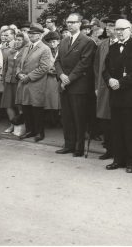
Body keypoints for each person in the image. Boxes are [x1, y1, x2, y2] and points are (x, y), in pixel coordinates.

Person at [103, 19, 132, 173]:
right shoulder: (113, 47)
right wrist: (109, 80)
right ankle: (117, 160)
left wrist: (121, 82)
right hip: (115, 95)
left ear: (130, 29)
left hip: (130, 95)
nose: (119, 32)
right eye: (117, 29)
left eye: (122, 29)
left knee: (129, 130)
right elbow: (105, 69)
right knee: (116, 129)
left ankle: (130, 162)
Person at [54, 13, 97, 157]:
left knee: (79, 118)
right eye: (68, 22)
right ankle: (68, 145)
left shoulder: (87, 41)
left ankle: (79, 147)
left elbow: (84, 64)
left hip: (78, 85)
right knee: (66, 117)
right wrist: (61, 75)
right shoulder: (64, 40)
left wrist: (69, 78)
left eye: (73, 22)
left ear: (80, 24)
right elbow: (57, 60)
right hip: (65, 84)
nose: (70, 24)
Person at [16, 23, 52, 142]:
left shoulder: (45, 48)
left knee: (37, 109)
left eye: (34, 33)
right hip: (24, 82)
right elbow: (19, 63)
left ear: (40, 35)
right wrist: (18, 73)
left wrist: (28, 77)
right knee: (26, 108)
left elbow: (44, 67)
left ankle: (39, 132)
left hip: (36, 83)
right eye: (30, 33)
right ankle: (30, 131)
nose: (30, 35)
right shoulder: (26, 47)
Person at [94, 14, 120, 160]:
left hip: (117, 87)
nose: (108, 29)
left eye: (112, 26)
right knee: (105, 118)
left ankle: (118, 150)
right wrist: (96, 86)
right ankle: (109, 148)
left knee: (116, 119)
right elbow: (96, 66)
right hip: (103, 87)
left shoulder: (124, 44)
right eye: (108, 26)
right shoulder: (103, 44)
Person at [0, 32, 27, 133]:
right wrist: (3, 78)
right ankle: (12, 125)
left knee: (19, 105)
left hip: (19, 82)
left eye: (20, 40)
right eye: (16, 39)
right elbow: (5, 67)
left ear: (24, 41)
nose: (17, 41)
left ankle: (21, 126)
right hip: (8, 81)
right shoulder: (10, 52)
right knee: (8, 104)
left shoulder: (26, 52)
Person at [43, 31, 61, 127]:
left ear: (58, 41)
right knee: (49, 99)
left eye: (54, 41)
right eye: (50, 42)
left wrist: (59, 71)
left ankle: (58, 119)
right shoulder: (46, 51)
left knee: (59, 100)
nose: (52, 44)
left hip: (59, 78)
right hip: (49, 78)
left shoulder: (62, 50)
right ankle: (51, 119)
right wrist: (47, 71)